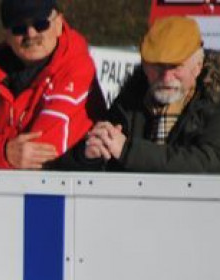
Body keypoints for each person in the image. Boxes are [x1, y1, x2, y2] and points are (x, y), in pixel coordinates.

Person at [0, 0, 103, 169]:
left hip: (62, 190)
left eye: (40, 24)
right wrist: (3, 152)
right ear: (6, 35)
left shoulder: (77, 69)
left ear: (58, 23)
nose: (30, 34)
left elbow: (41, 152)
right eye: (19, 28)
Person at [62, 16, 220, 172]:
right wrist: (88, 156)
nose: (166, 77)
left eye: (175, 67)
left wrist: (128, 151)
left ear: (197, 67)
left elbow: (209, 162)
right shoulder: (129, 102)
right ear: (144, 66)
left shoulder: (213, 104)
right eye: (157, 67)